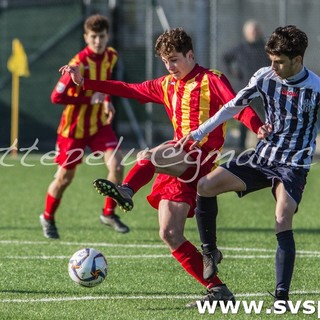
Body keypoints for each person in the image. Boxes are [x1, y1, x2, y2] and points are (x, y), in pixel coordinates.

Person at [60, 27, 264, 306]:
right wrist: (86, 83)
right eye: (165, 61)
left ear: (190, 55)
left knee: (151, 154)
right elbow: (128, 89)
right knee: (169, 233)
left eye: (175, 60)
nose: (170, 66)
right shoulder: (167, 84)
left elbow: (238, 106)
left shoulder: (210, 79)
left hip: (199, 159)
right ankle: (218, 291)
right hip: (179, 161)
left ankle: (127, 189)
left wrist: (258, 127)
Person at [178, 25, 320, 309]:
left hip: (293, 165)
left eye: (279, 61)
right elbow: (230, 107)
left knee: (282, 217)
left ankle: (281, 299)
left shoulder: (315, 89)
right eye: (271, 60)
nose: (273, 66)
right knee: (205, 185)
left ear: (298, 59)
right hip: (261, 158)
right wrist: (196, 134)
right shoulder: (265, 77)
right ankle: (210, 252)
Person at [40, 14, 130, 239]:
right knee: (64, 179)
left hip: (99, 125)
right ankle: (47, 217)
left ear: (107, 36)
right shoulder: (76, 64)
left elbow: (105, 85)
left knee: (118, 166)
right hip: (74, 129)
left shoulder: (111, 56)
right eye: (93, 37)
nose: (98, 41)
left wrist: (107, 101)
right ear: (86, 38)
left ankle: (108, 213)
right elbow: (55, 97)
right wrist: (88, 100)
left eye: (101, 36)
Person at [222, 19, 269, 149]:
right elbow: (225, 58)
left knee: (264, 119)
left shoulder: (265, 48)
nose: (254, 33)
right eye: (252, 31)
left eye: (256, 30)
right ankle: (240, 147)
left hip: (263, 90)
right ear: (246, 33)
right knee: (244, 119)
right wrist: (233, 72)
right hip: (245, 89)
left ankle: (264, 146)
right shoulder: (240, 49)